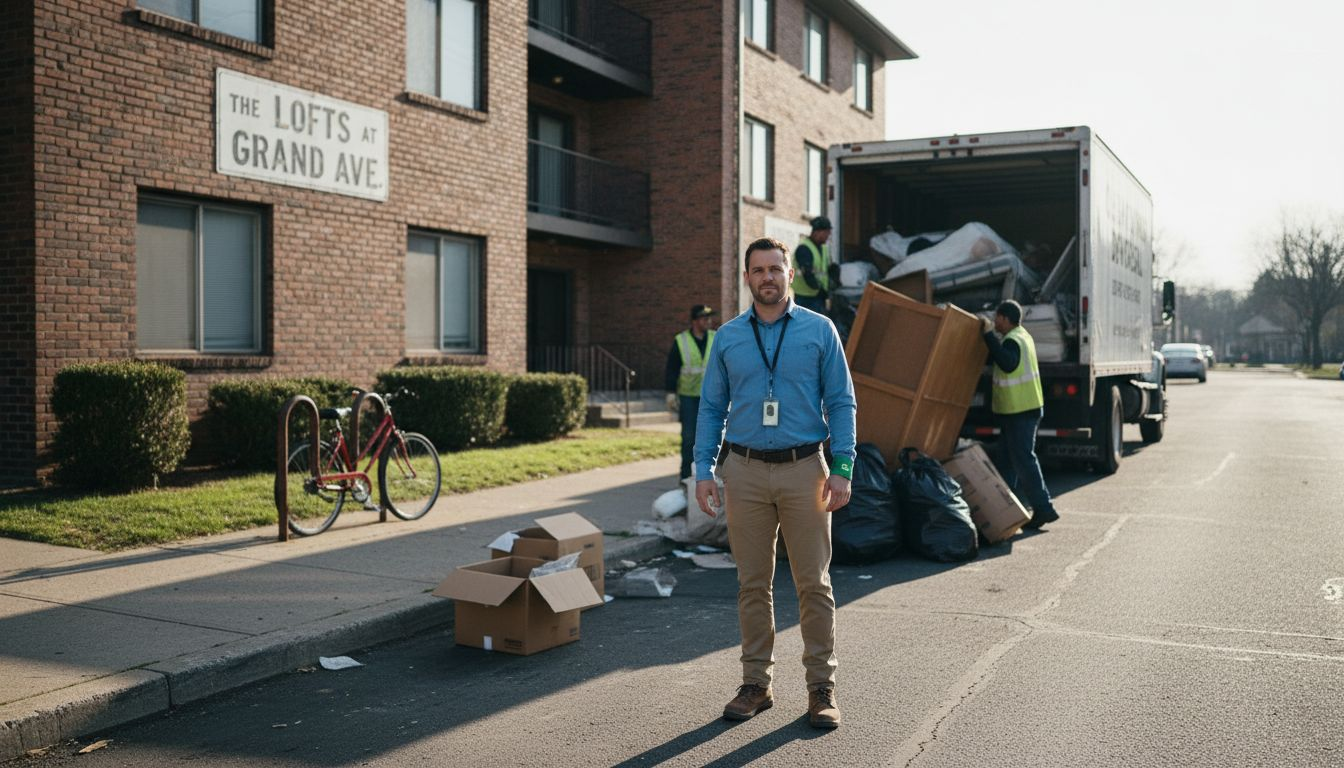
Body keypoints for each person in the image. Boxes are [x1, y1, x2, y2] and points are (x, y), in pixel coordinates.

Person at [694, 236, 857, 729]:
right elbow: (710, 408)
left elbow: (842, 402)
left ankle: (820, 688)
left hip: (805, 467)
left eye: (775, 269)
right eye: (758, 270)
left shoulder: (818, 330)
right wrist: (704, 470)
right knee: (751, 583)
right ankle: (756, 684)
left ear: (789, 274)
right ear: (746, 278)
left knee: (813, 583)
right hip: (742, 470)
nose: (767, 277)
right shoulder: (727, 338)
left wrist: (844, 467)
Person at [980, 300, 1060, 529]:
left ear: (1005, 319)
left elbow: (1007, 363)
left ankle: (1044, 508)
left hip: (1020, 411)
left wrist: (987, 337)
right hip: (1016, 411)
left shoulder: (1013, 340)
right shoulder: (1021, 336)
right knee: (1006, 461)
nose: (995, 322)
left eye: (997, 318)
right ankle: (1005, 510)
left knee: (1024, 460)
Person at [665, 304, 717, 481]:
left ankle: (709, 476)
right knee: (689, 438)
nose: (708, 321)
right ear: (695, 321)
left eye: (709, 318)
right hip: (688, 397)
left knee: (713, 436)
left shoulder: (716, 337)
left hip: (711, 397)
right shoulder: (681, 340)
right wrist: (671, 392)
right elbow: (672, 368)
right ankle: (686, 477)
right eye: (704, 318)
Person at [792, 216, 832, 314]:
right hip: (804, 297)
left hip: (818, 297)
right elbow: (807, 274)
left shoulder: (824, 249)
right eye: (826, 233)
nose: (828, 236)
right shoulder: (804, 248)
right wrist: (820, 289)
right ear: (818, 232)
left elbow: (825, 269)